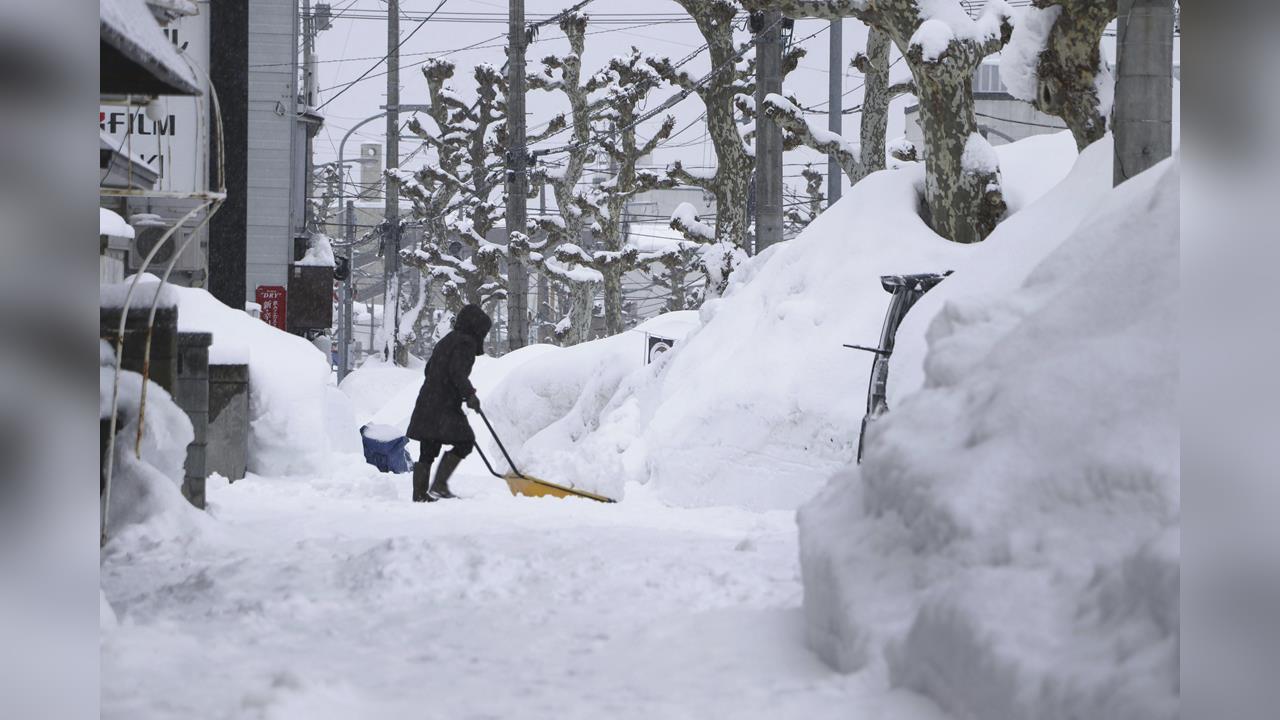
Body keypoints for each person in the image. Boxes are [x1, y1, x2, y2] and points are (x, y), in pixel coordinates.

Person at [406, 304, 491, 502]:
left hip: (429, 400)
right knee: (466, 441)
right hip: (444, 405)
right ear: (476, 328)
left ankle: (419, 494)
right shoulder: (466, 343)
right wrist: (469, 395)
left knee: (428, 446)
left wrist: (445, 389)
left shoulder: (448, 340)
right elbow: (457, 372)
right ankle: (440, 485)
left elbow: (430, 369)